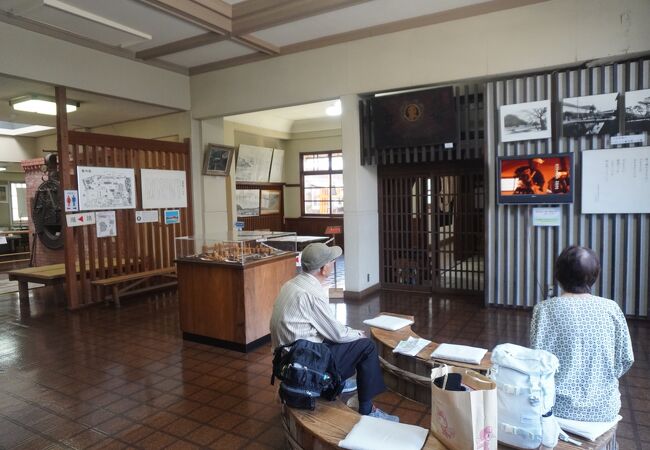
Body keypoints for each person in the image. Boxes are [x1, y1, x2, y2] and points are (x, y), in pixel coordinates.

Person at [270, 243, 398, 422]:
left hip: (287, 357)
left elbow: (328, 330)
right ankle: (367, 410)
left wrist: (348, 333)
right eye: (332, 261)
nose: (334, 263)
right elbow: (336, 333)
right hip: (305, 362)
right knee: (366, 346)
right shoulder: (312, 293)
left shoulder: (291, 284)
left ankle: (339, 383)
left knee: (343, 339)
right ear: (324, 268)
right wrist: (357, 334)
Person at [530, 246, 634, 422]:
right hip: (604, 408)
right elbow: (625, 359)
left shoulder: (544, 309)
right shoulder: (611, 308)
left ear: (558, 276)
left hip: (556, 406)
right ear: (595, 276)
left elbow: (537, 359)